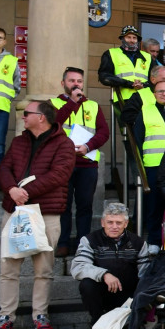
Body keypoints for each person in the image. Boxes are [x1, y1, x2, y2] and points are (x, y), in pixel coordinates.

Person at [0, 101, 76, 329]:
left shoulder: (64, 144)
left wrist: (25, 192)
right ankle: (6, 316)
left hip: (45, 213)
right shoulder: (19, 141)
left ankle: (40, 314)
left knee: (44, 269)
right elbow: (4, 168)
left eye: (27, 113)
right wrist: (12, 190)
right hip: (15, 211)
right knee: (8, 268)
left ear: (41, 117)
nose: (22, 117)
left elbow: (59, 175)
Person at [122, 79, 165, 249]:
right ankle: (154, 241)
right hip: (153, 164)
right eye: (160, 91)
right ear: (154, 95)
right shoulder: (145, 112)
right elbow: (137, 138)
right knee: (154, 204)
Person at [52, 66, 109, 256]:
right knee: (63, 205)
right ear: (63, 84)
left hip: (87, 163)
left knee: (85, 206)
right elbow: (52, 127)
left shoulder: (92, 105)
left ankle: (82, 244)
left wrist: (88, 146)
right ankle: (63, 243)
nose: (76, 84)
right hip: (62, 163)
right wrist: (71, 103)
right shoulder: (53, 103)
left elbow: (103, 132)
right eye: (71, 81)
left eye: (79, 81)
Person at [71, 202, 151, 324]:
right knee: (87, 284)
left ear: (126, 224)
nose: (114, 226)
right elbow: (79, 267)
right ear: (103, 222)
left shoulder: (138, 243)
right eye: (110, 222)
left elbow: (145, 273)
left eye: (118, 223)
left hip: (128, 294)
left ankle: (133, 318)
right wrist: (104, 275)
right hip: (103, 291)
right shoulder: (90, 240)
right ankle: (97, 320)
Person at [0, 26, 20, 191]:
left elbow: (17, 86)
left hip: (0, 108)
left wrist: (7, 98)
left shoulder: (11, 61)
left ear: (5, 41)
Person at [98, 25, 150, 103]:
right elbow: (104, 77)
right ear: (122, 38)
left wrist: (143, 85)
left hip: (144, 98)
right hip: (122, 99)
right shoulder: (111, 53)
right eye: (128, 37)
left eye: (134, 38)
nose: (132, 40)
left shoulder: (147, 56)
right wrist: (129, 84)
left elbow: (154, 79)